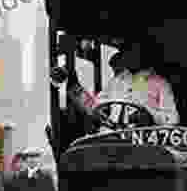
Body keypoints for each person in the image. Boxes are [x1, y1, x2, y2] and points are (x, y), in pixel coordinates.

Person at [50, 40, 179, 129]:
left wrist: (150, 116)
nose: (128, 55)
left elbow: (172, 119)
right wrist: (73, 84)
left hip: (144, 143)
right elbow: (95, 107)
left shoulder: (160, 83)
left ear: (143, 53)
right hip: (112, 139)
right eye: (127, 51)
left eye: (133, 50)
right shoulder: (117, 81)